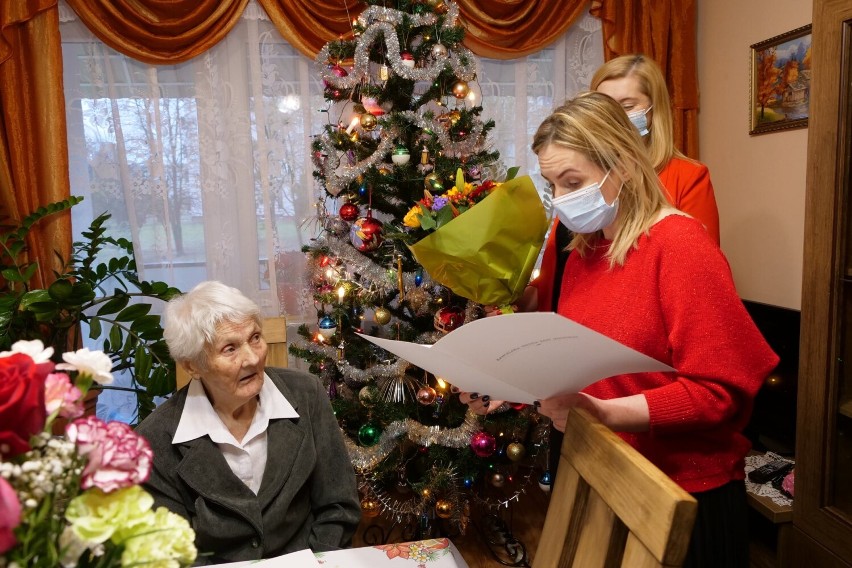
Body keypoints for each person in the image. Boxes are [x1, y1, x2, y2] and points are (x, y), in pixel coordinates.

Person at [464, 92, 777, 568]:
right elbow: (589, 363)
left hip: (680, 496)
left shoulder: (681, 247)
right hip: (602, 476)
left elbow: (720, 392)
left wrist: (607, 414)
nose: (564, 201)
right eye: (554, 185)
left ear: (625, 165)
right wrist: (518, 380)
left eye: (575, 182)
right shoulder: (585, 254)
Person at [136, 281, 361, 564]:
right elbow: (171, 552)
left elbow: (338, 507)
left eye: (255, 337)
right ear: (192, 365)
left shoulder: (307, 395)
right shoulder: (155, 440)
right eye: (229, 348)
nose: (253, 358)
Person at [528, 54, 720, 313]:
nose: (613, 118)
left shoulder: (681, 224)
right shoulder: (579, 206)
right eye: (605, 106)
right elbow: (558, 272)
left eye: (626, 106)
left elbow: (696, 287)